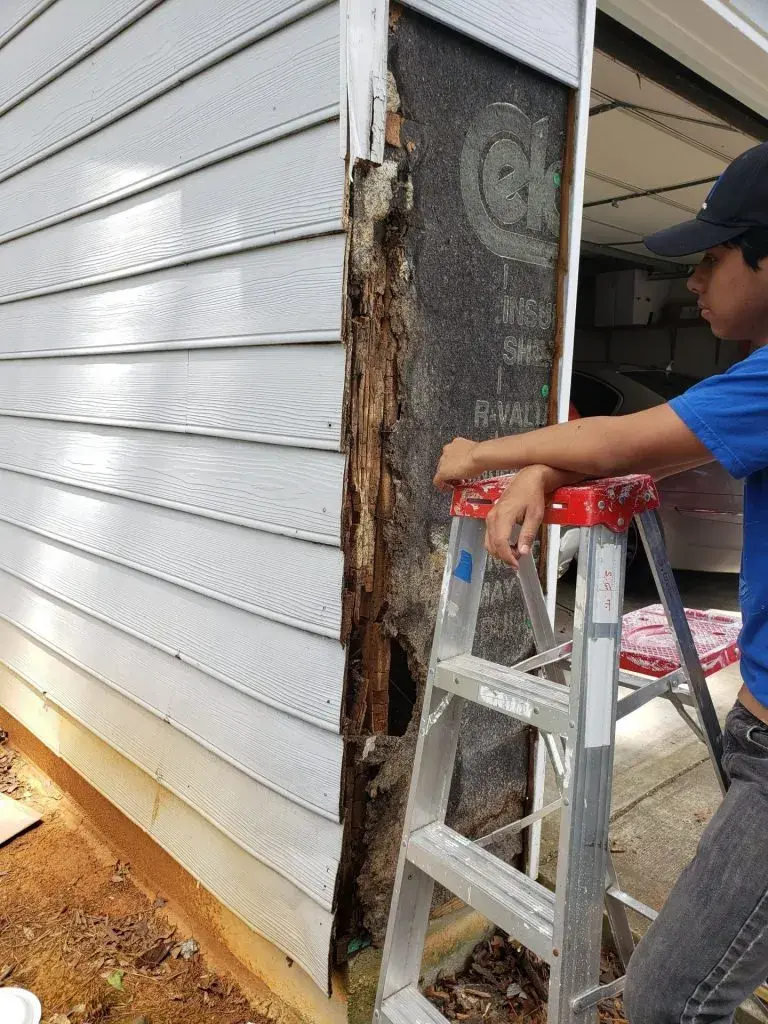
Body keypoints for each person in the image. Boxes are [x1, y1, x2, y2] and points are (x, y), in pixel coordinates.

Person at [433, 141, 768, 1024]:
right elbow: (648, 435)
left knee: (669, 996)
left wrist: (484, 454)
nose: (693, 282)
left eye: (712, 257)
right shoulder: (751, 378)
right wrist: (547, 470)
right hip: (756, 720)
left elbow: (626, 445)